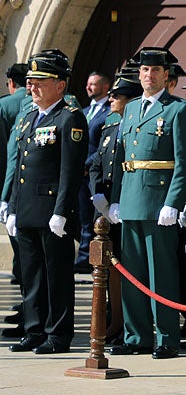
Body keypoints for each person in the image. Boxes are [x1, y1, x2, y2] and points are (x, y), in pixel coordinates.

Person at [109, 47, 186, 359]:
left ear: (165, 76)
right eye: (145, 71)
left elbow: (184, 161)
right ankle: (136, 335)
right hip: (131, 200)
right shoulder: (131, 109)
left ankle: (166, 337)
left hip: (159, 203)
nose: (149, 76)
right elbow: (122, 158)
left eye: (155, 71)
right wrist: (116, 199)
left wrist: (174, 202)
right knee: (133, 275)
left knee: (161, 275)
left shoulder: (177, 110)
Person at [4, 51, 88, 354]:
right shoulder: (29, 118)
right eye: (30, 82)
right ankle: (34, 329)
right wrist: (12, 207)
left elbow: (70, 170)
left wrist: (62, 212)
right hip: (27, 209)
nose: (33, 87)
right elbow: (19, 169)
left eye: (41, 81)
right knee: (31, 276)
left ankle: (57, 333)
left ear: (60, 85)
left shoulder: (69, 118)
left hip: (52, 211)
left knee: (56, 276)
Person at [90, 69, 143, 343]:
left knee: (131, 271)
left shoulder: (137, 125)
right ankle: (116, 323)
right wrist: (97, 193)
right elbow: (97, 163)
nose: (111, 100)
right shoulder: (111, 124)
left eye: (118, 96)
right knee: (110, 271)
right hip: (107, 210)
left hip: (131, 207)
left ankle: (133, 325)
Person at [75, 71, 112, 273]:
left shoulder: (108, 111)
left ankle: (90, 257)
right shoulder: (85, 110)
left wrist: (87, 165)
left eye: (94, 84)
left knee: (95, 217)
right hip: (80, 172)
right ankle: (83, 254)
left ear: (105, 87)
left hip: (94, 172)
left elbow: (102, 145)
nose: (89, 87)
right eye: (88, 84)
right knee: (82, 216)